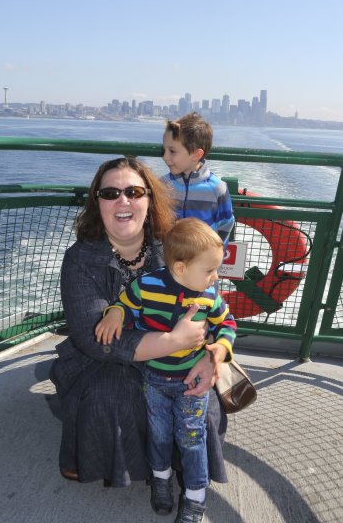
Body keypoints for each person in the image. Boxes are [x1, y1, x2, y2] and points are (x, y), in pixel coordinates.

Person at [48, 156, 229, 492]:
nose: (123, 201)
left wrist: (211, 358)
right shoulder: (80, 259)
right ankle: (97, 455)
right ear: (98, 203)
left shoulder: (175, 247)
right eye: (110, 193)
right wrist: (174, 341)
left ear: (150, 199)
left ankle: (183, 468)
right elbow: (95, 339)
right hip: (104, 360)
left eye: (133, 192)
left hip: (179, 359)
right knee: (111, 396)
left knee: (196, 397)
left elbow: (214, 311)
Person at [95, 217, 236, 522]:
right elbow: (125, 305)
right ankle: (161, 480)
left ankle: (195, 498)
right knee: (158, 436)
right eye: (209, 270)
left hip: (191, 384)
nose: (216, 277)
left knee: (191, 440)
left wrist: (221, 348)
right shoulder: (147, 286)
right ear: (181, 268)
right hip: (155, 381)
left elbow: (227, 323)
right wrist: (115, 313)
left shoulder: (209, 297)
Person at [162, 112, 235, 246]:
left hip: (203, 257)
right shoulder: (162, 185)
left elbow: (226, 223)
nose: (165, 157)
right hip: (167, 256)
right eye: (164, 150)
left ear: (196, 155)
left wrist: (215, 252)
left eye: (172, 151)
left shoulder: (217, 189)